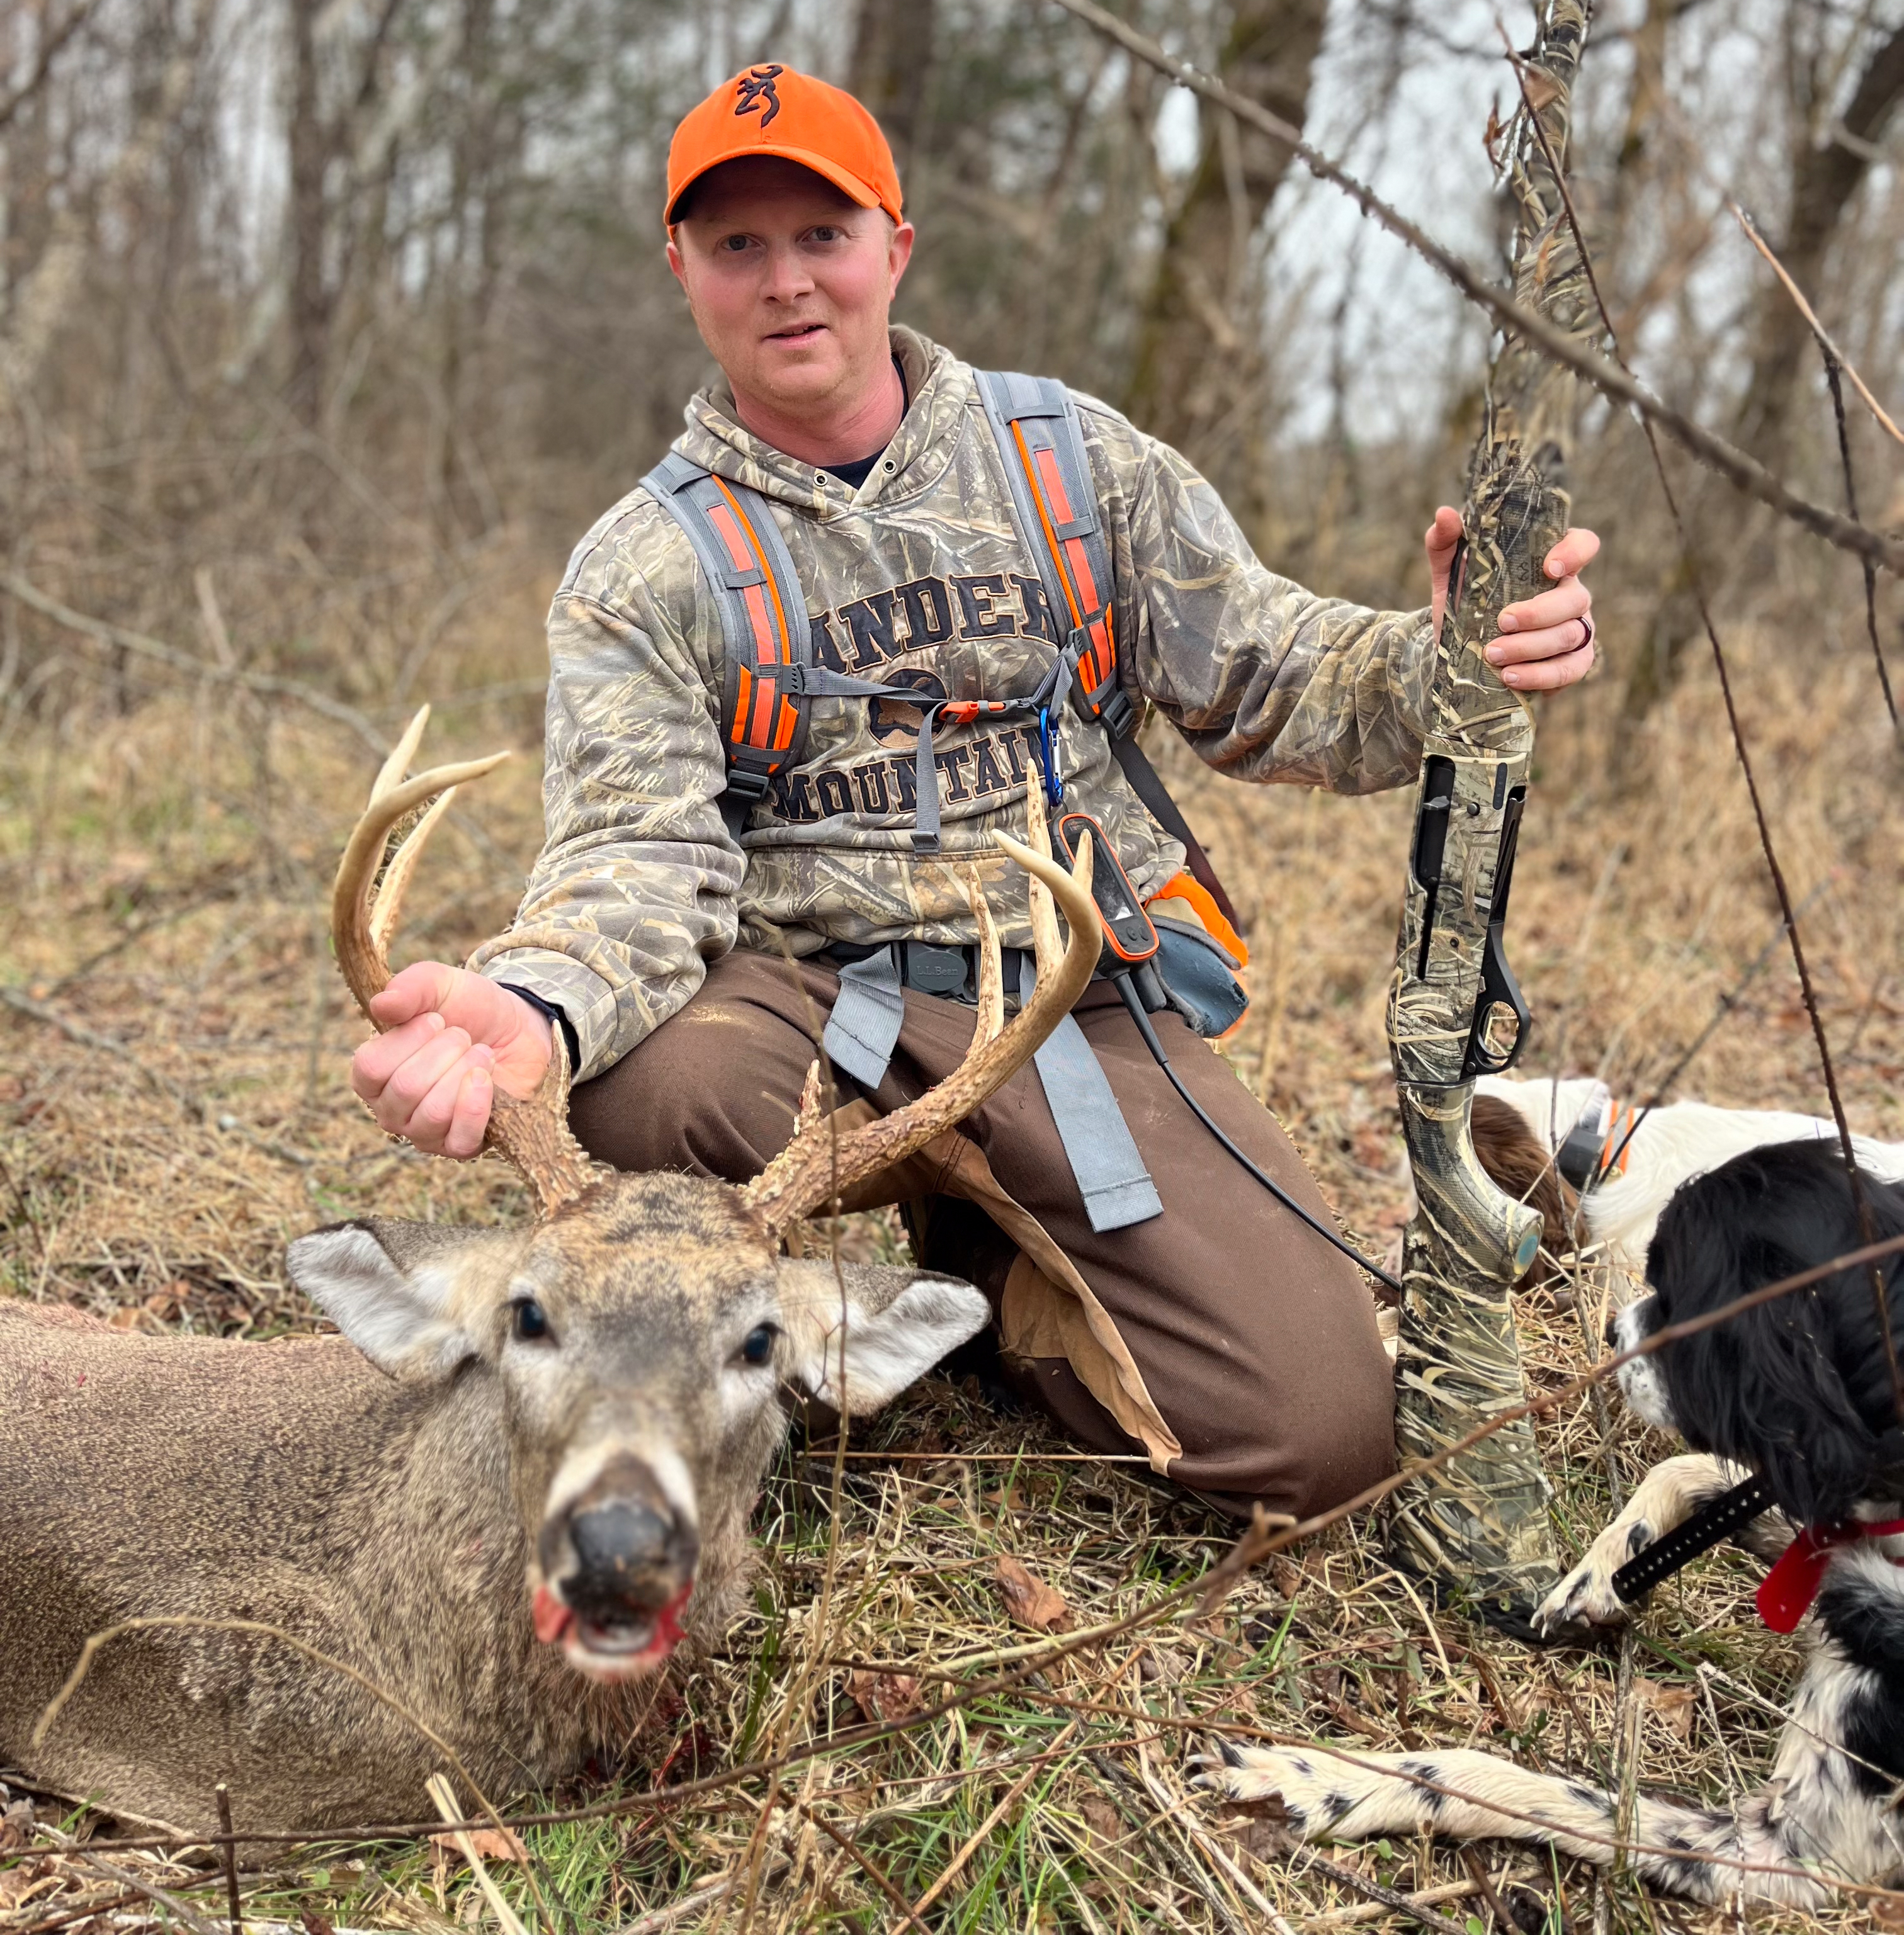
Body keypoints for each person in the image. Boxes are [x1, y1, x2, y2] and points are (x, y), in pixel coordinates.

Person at [348, 64, 1600, 1521]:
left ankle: (998, 1279)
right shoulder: (648, 566)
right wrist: (542, 1006)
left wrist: (1448, 657)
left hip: (1081, 1013)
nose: (787, 281)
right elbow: (635, 855)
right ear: (681, 269)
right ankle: (707, 1372)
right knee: (633, 1084)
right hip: (811, 1031)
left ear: (896, 246)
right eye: (738, 244)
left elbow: (1278, 676)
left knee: (1317, 1452)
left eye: (823, 234)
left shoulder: (1067, 462)